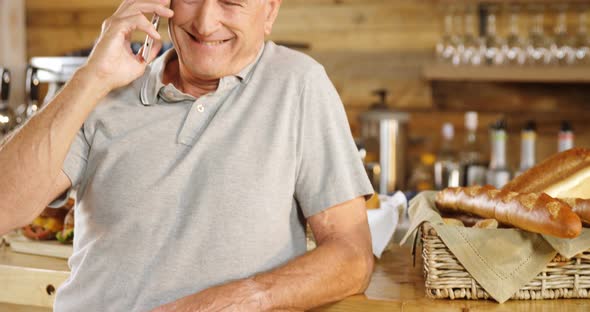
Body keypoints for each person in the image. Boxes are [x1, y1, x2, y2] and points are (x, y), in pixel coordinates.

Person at [0, 0, 375, 310]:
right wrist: (90, 78)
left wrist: (235, 301)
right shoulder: (105, 85)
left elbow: (352, 256)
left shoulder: (299, 85)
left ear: (270, 11)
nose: (206, 22)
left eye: (231, 1)